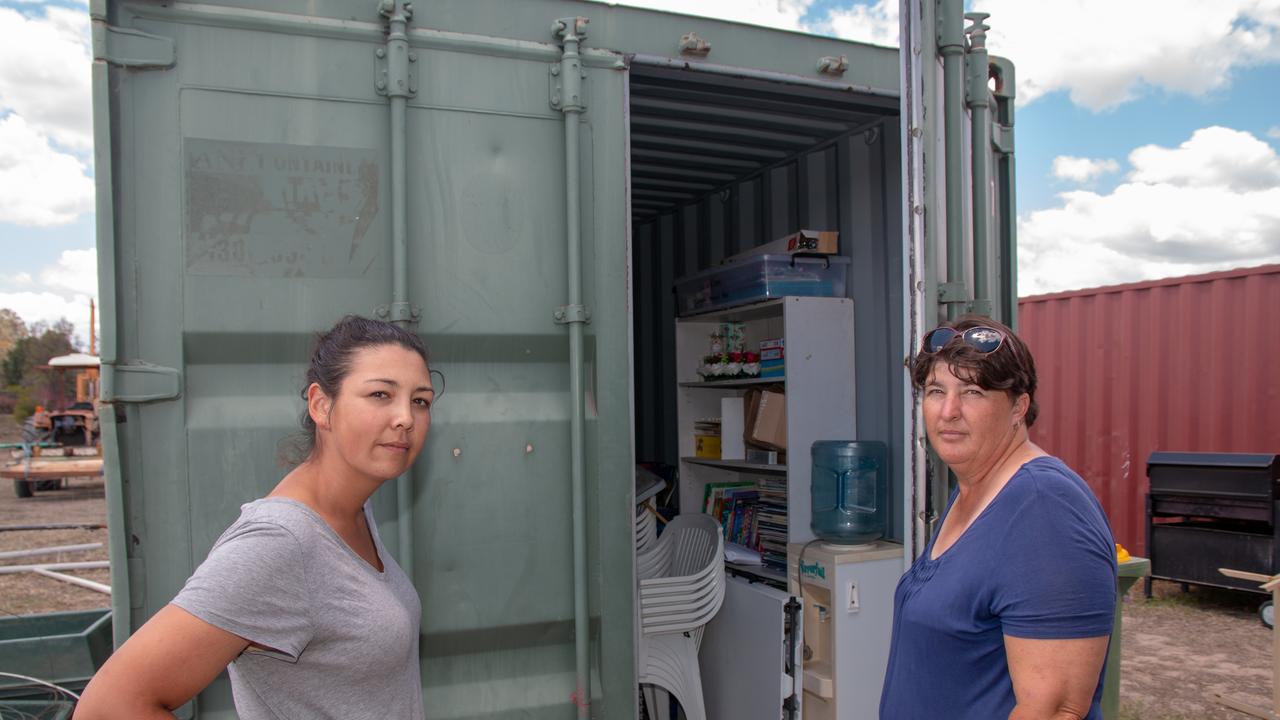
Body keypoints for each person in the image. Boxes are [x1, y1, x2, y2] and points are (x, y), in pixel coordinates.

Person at [75, 316, 435, 720]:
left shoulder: (352, 512)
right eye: (380, 394)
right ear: (321, 405)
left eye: (420, 400)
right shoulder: (281, 542)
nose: (405, 417)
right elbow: (109, 705)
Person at [879, 315, 1116, 719]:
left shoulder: (1044, 507)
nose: (948, 411)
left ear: (1018, 407)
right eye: (936, 391)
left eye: (972, 392)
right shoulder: (974, 488)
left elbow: (1055, 709)